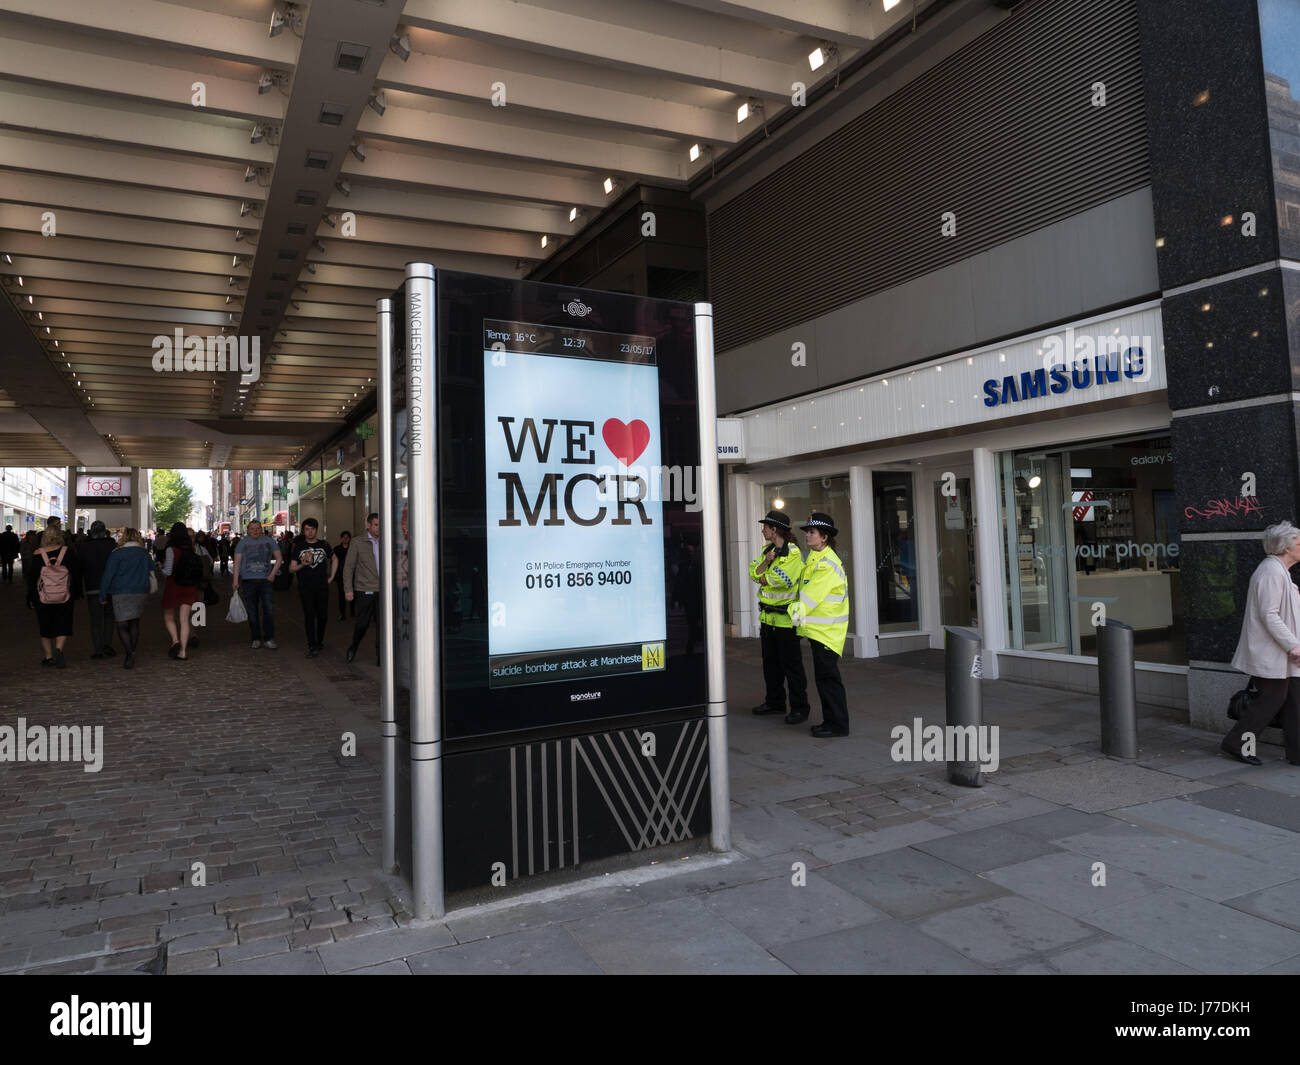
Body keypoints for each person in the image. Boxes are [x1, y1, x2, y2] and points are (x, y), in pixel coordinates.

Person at [1223, 521, 1300, 766]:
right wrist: (1293, 645)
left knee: (1294, 699)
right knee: (1272, 699)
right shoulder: (1271, 572)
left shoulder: (1281, 572)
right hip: (1272, 652)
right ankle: (1236, 743)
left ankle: (1297, 753)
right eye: (1299, 543)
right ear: (1286, 548)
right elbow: (1269, 614)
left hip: (1282, 652)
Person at [789, 512, 851, 738]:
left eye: (812, 532)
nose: (807, 536)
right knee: (825, 680)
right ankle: (831, 722)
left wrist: (791, 622)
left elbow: (807, 600)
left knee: (828, 681)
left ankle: (837, 725)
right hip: (821, 633)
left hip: (827, 634)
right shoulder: (815, 559)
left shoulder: (825, 565)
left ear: (824, 537)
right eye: (807, 532)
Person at [749, 510, 810, 723]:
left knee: (792, 667)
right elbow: (753, 572)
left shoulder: (792, 553)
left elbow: (779, 579)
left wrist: (763, 573)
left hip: (786, 620)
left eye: (765, 526)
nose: (762, 529)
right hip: (768, 619)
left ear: (774, 529)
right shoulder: (769, 550)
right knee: (770, 664)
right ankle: (775, 702)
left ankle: (800, 708)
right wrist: (765, 563)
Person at [26, 525, 82, 667]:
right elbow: (76, 573)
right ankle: (59, 649)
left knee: (45, 626)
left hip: (43, 597)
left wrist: (31, 597)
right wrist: (77, 592)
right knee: (63, 624)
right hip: (64, 595)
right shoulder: (67, 552)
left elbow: (32, 579)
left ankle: (49, 656)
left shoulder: (38, 553)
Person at [99, 528, 152, 669]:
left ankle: (130, 652)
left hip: (120, 591)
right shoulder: (144, 553)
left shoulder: (117, 554)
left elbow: (108, 575)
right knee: (134, 622)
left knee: (122, 624)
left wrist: (103, 594)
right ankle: (132, 650)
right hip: (140, 591)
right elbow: (151, 570)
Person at [289, 517, 336, 657]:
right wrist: (302, 565)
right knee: (309, 615)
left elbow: (335, 559)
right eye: (307, 529)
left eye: (312, 529)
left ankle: (319, 641)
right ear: (303, 531)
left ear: (316, 530)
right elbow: (291, 569)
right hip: (305, 587)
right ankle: (312, 644)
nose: (310, 532)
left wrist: (332, 577)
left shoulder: (324, 545)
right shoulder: (299, 547)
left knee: (322, 616)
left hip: (322, 586)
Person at [232, 519, 281, 649]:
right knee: (252, 611)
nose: (255, 531)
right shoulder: (242, 543)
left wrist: (272, 574)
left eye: (257, 528)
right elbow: (237, 563)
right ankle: (256, 638)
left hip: (266, 581)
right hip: (248, 581)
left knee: (268, 611)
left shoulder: (269, 541)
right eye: (252, 529)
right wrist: (235, 580)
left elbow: (279, 558)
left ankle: (269, 638)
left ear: (261, 529)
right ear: (247, 530)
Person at [342, 512, 381, 665]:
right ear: (369, 525)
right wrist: (348, 589)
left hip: (383, 590)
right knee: (363, 623)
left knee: (383, 624)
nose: (379, 528)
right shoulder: (358, 542)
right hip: (364, 589)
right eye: (376, 525)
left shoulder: (388, 540)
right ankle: (354, 646)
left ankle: (381, 655)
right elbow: (348, 567)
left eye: (380, 524)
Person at [159, 521, 201, 660]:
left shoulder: (171, 549)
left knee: (169, 616)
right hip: (189, 587)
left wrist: (161, 568)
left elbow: (168, 571)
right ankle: (183, 651)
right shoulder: (192, 548)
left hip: (174, 586)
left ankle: (175, 640)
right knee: (184, 620)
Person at [79, 520, 118, 659]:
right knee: (109, 616)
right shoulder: (111, 544)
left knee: (95, 620)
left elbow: (80, 568)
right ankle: (107, 644)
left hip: (92, 586)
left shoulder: (84, 546)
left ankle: (98, 649)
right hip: (110, 587)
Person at [333, 530, 353, 621]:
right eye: (344, 537)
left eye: (347, 537)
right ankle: (342, 613)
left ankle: (353, 611)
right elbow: (333, 562)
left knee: (353, 593)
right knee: (341, 594)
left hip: (352, 574)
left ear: (349, 539)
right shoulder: (337, 549)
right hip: (340, 575)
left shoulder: (353, 548)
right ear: (341, 539)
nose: (345, 539)